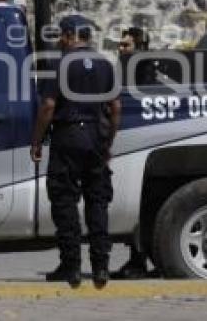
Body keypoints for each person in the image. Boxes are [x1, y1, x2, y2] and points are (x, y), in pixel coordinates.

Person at [30, 15, 121, 288]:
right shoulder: (106, 65)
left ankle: (71, 267)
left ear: (70, 35)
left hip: (68, 136)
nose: (59, 40)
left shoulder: (60, 64)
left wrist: (36, 141)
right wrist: (108, 142)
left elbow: (48, 105)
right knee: (97, 201)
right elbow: (115, 108)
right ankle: (101, 266)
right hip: (96, 136)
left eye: (61, 35)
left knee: (65, 201)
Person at [112, 27, 153, 279]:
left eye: (126, 45)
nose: (121, 49)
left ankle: (139, 261)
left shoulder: (142, 72)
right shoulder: (127, 70)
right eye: (120, 45)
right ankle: (137, 260)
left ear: (138, 47)